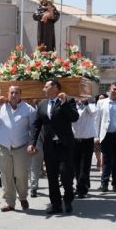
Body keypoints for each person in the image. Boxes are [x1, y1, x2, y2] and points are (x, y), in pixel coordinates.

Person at [29, 82, 79, 214]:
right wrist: (32, 143)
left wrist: (64, 103)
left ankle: (68, 199)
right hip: (49, 146)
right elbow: (36, 125)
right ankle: (56, 204)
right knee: (52, 177)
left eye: (46, 87)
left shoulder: (68, 101)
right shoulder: (41, 105)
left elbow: (74, 117)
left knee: (65, 174)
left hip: (65, 145)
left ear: (55, 88)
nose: (43, 89)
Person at [0, 86, 36, 212]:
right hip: (2, 147)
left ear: (21, 94)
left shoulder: (28, 109)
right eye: (11, 93)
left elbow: (33, 128)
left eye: (16, 93)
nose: (14, 95)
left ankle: (23, 197)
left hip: (21, 147)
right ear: (7, 94)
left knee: (21, 174)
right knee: (6, 175)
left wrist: (32, 144)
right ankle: (10, 202)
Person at [72, 96, 97, 198]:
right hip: (74, 140)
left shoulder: (91, 105)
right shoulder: (72, 106)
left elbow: (93, 113)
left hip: (87, 140)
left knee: (84, 166)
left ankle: (81, 188)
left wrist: (86, 102)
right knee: (76, 166)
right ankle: (81, 185)